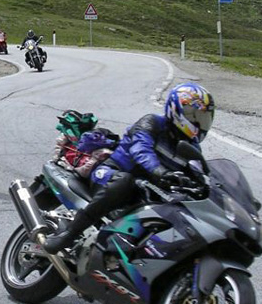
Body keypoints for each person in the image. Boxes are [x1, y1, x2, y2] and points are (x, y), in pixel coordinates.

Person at [44, 82, 215, 253]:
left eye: (203, 118)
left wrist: (208, 187)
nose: (199, 123)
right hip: (112, 174)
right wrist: (161, 172)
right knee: (125, 182)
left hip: (145, 189)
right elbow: (141, 151)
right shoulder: (153, 123)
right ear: (177, 109)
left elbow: (199, 171)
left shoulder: (192, 146)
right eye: (194, 116)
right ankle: (68, 234)